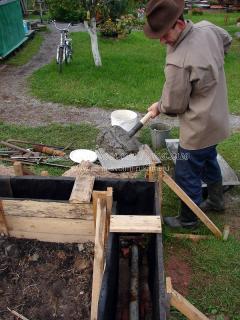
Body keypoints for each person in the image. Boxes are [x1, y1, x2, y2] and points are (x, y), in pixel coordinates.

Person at [144, 0, 232, 228]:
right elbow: (227, 40)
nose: (162, 40)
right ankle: (215, 200)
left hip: (198, 128)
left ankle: (189, 219)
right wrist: (213, 66)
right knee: (209, 159)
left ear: (179, 24)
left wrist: (159, 106)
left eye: (164, 34)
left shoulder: (177, 61)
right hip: (218, 119)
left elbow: (175, 105)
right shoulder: (207, 28)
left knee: (185, 170)